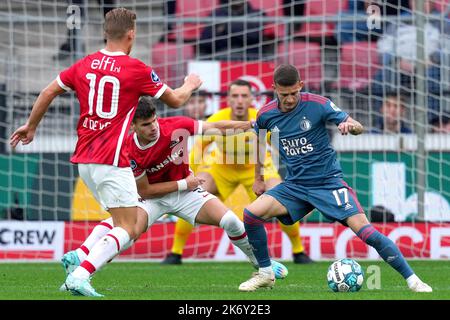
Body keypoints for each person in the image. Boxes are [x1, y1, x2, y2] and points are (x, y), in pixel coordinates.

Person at [10, 7, 202, 297]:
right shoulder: (136, 69)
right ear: (131, 35)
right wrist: (189, 85)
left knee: (124, 218)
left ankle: (80, 256)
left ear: (104, 33)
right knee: (130, 227)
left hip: (84, 160)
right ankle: (80, 275)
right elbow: (175, 101)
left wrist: (31, 126)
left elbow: (49, 90)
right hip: (111, 159)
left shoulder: (84, 63)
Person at [237, 64, 432, 293]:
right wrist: (258, 177)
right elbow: (260, 142)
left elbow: (357, 125)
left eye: (293, 93)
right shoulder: (266, 114)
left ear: (300, 85)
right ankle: (265, 273)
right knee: (251, 214)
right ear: (274, 89)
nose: (289, 99)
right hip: (295, 185)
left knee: (367, 233)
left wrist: (350, 125)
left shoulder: (318, 104)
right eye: (284, 94)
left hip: (328, 183)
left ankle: (413, 280)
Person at [60, 97, 288, 281]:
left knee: (231, 221)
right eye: (146, 125)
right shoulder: (129, 150)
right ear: (133, 126)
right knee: (126, 231)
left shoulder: (175, 126)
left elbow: (215, 126)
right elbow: (146, 191)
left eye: (154, 121)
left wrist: (251, 125)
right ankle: (83, 268)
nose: (153, 128)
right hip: (153, 199)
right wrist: (183, 183)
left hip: (186, 195)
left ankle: (261, 265)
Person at [162, 79, 313, 265]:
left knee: (282, 199)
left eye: (244, 96)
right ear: (228, 100)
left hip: (256, 168)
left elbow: (284, 149)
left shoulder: (263, 118)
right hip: (221, 167)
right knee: (191, 195)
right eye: (235, 96)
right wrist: (186, 176)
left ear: (251, 99)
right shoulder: (217, 119)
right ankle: (175, 253)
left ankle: (298, 252)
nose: (239, 100)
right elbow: (198, 150)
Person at [198, 0, 265, 60]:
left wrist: (225, 26)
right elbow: (206, 41)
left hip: (251, 58)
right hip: (221, 58)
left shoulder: (257, 13)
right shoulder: (216, 14)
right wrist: (242, 27)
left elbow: (254, 35)